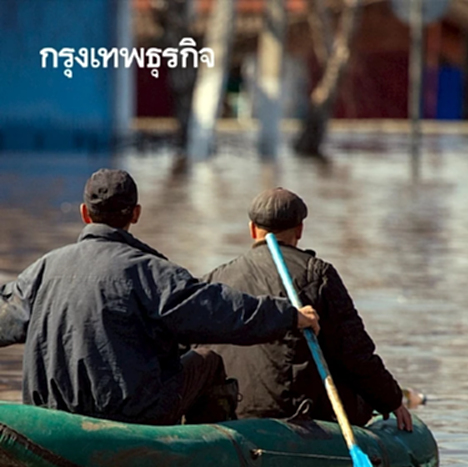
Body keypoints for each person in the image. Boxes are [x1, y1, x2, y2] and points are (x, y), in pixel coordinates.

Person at [0, 169, 320, 425]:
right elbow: (222, 311)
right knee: (208, 360)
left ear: (85, 213)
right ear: (136, 214)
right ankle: (208, 457)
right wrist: (289, 315)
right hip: (132, 414)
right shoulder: (151, 272)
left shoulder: (41, 270)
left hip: (50, 411)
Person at [199, 187, 413, 431]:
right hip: (293, 412)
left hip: (229, 411)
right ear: (300, 230)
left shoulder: (214, 280)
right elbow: (354, 352)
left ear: (252, 229)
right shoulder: (317, 275)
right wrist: (391, 400)